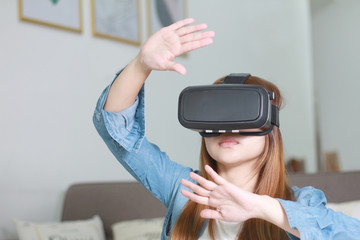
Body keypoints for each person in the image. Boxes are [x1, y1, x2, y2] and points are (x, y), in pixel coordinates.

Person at [93, 18, 360, 240]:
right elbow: (117, 131)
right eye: (218, 115)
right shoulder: (184, 190)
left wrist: (261, 207)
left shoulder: (303, 203)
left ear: (270, 128)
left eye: (243, 115)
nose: (228, 128)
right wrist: (141, 64)